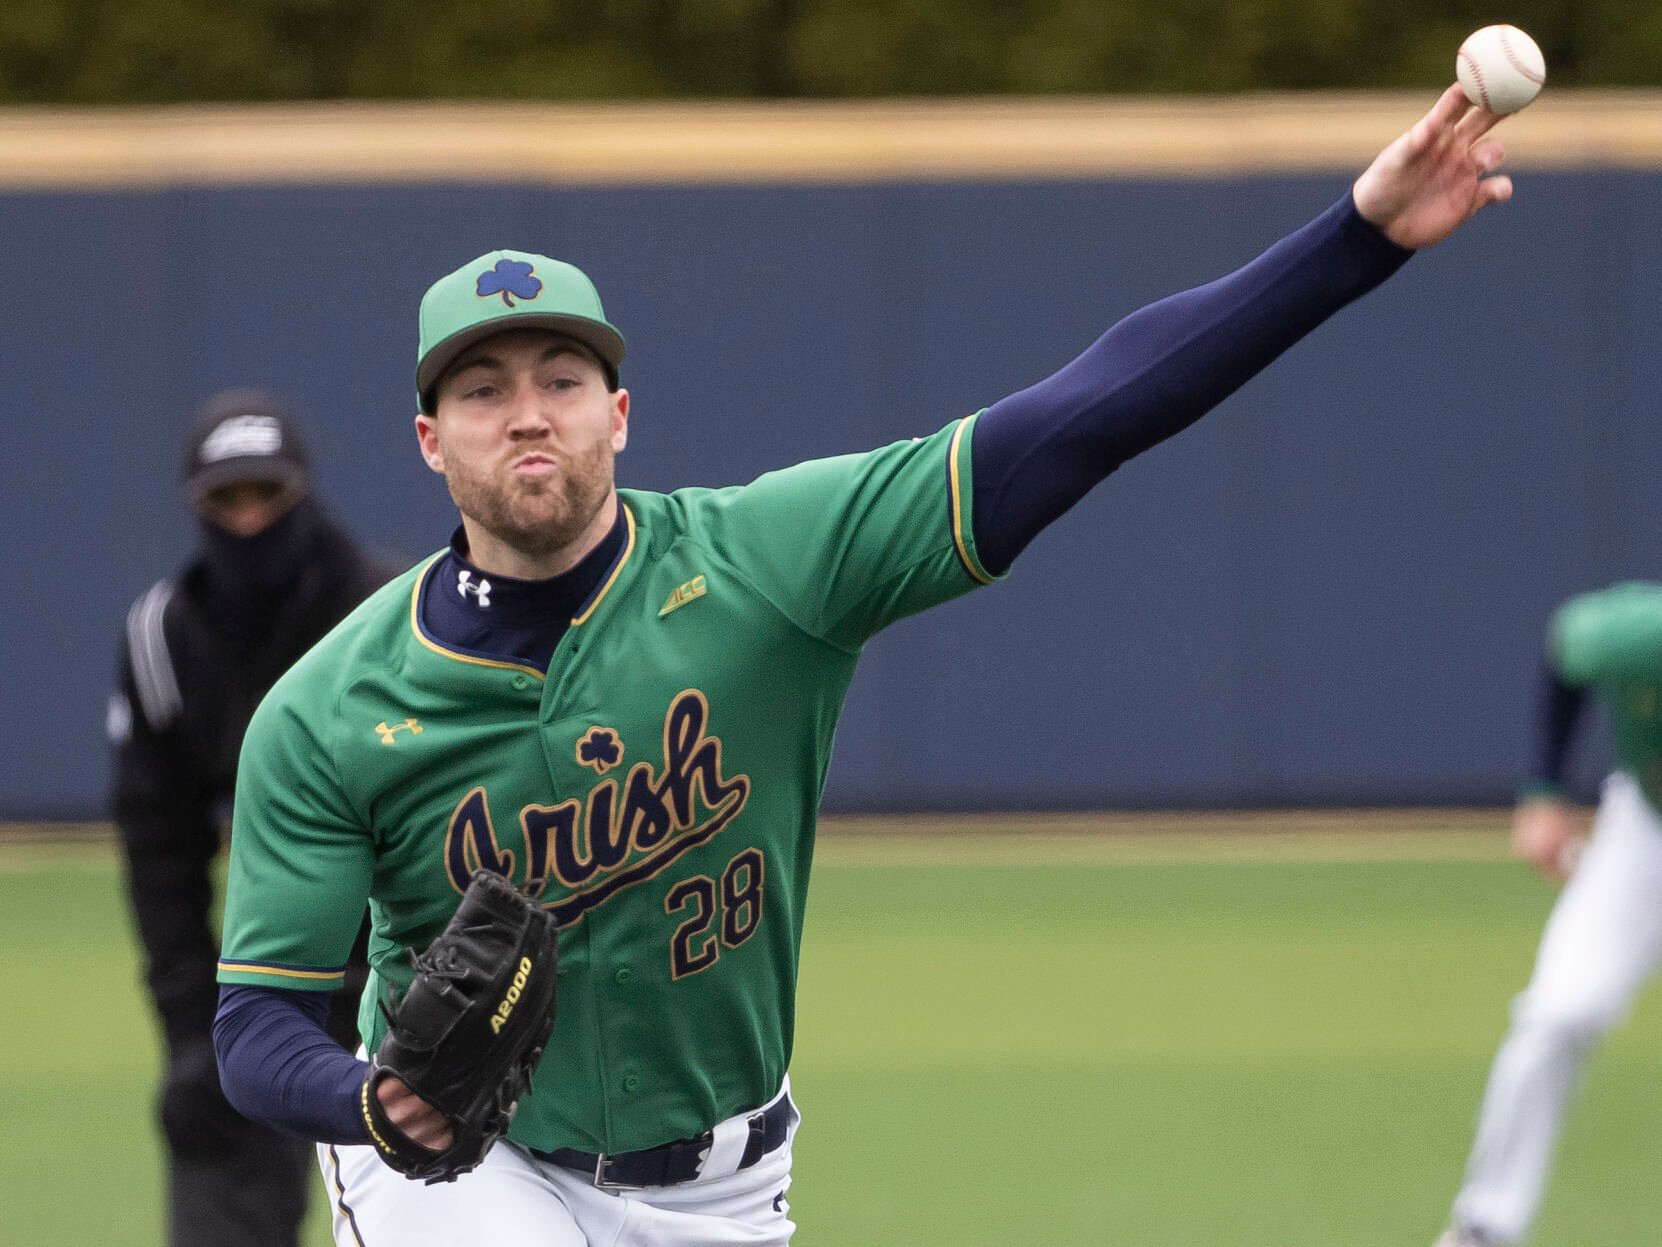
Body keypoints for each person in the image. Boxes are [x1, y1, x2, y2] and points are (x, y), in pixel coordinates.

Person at [211, 85, 1515, 1246]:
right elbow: (258, 1022)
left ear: (619, 412)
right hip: (468, 1170)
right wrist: (370, 1097)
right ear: (431, 439)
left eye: (561, 372)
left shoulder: (768, 562)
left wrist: (1355, 240)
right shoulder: (332, 709)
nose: (528, 409)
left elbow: (1079, 419)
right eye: (484, 388)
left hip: (722, 1180)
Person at [109, 390, 394, 1247]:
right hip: (261, 991)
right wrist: (193, 1030)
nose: (248, 519)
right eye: (226, 500)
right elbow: (160, 850)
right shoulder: (163, 637)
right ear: (195, 507)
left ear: (304, 492)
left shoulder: (392, 616)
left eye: (266, 495)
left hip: (399, 992)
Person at [1434, 581, 1662, 1247]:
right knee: (1558, 1013)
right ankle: (1486, 1225)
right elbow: (1568, 645)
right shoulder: (1638, 635)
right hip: (1644, 838)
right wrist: (1543, 789)